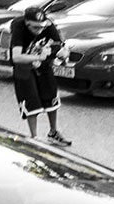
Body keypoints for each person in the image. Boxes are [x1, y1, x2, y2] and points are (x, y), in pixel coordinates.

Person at [9, 6, 71, 145]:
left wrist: (63, 53)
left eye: (41, 27)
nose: (39, 30)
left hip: (43, 65)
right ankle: (34, 137)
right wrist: (38, 57)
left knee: (51, 98)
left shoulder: (48, 25)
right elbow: (16, 57)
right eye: (35, 27)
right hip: (24, 67)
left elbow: (59, 46)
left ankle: (53, 132)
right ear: (27, 23)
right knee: (31, 101)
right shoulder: (19, 27)